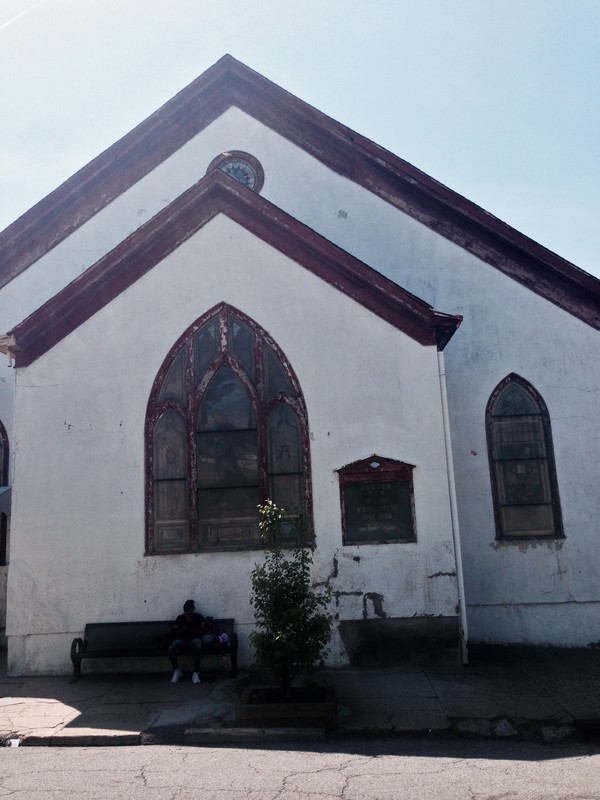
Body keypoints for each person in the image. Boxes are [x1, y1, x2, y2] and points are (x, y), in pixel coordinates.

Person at [168, 599, 208, 684]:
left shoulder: (198, 617)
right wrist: (182, 629)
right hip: (181, 639)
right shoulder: (180, 618)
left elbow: (203, 630)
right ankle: (177, 670)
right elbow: (175, 632)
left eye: (190, 612)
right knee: (172, 648)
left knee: (197, 647)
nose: (188, 615)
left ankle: (196, 672)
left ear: (193, 610)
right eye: (186, 613)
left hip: (195, 639)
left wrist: (192, 630)